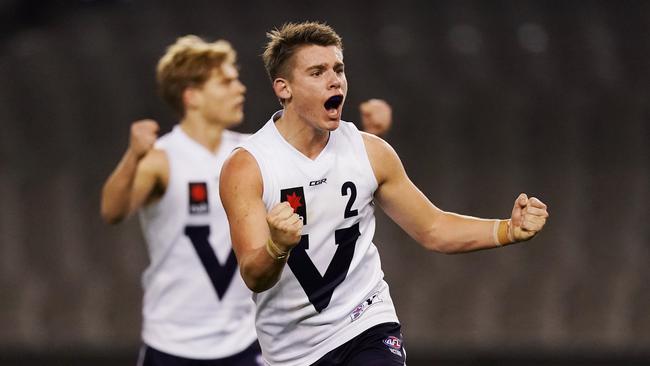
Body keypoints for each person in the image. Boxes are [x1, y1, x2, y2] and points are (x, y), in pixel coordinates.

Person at [219, 21, 549, 366]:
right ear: (283, 88)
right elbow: (254, 276)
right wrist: (276, 245)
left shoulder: (370, 152)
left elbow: (433, 229)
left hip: (366, 325)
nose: (335, 80)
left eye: (339, 69)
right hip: (291, 353)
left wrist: (507, 230)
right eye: (317, 72)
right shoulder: (248, 166)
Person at [100, 34, 394, 366]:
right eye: (225, 82)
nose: (240, 88)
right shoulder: (163, 158)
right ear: (192, 96)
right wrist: (133, 156)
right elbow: (112, 211)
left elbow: (326, 180)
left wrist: (371, 138)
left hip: (244, 341)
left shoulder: (251, 155)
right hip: (173, 340)